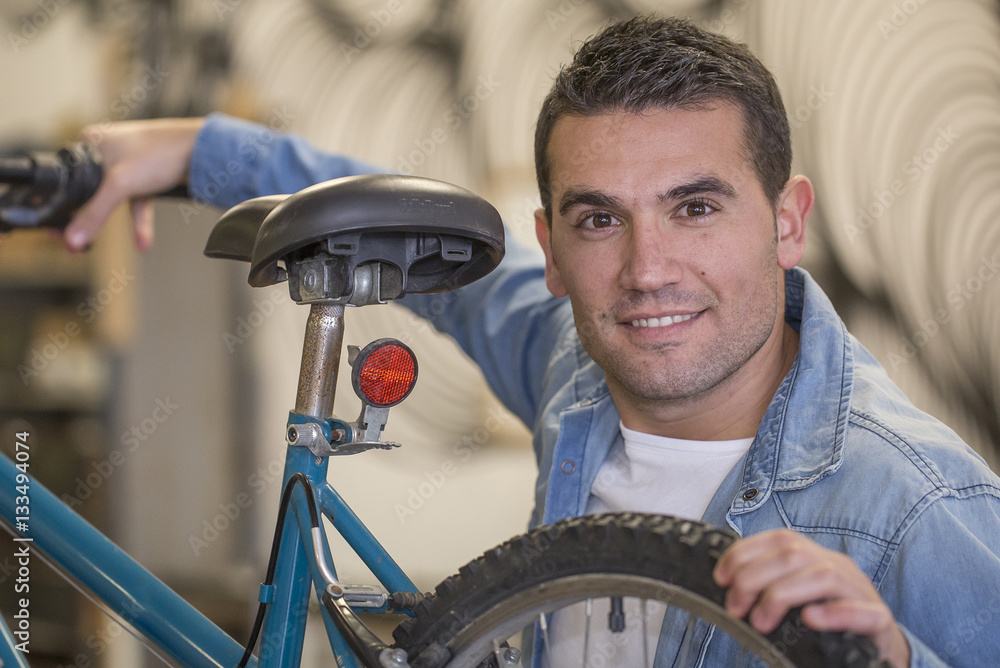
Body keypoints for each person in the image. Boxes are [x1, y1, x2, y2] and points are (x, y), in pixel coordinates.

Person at [62, 16, 1000, 668]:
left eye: (695, 208)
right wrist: (197, 151)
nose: (647, 270)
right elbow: (406, 216)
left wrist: (891, 656)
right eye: (600, 220)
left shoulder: (918, 502)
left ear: (787, 222)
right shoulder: (576, 364)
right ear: (551, 249)